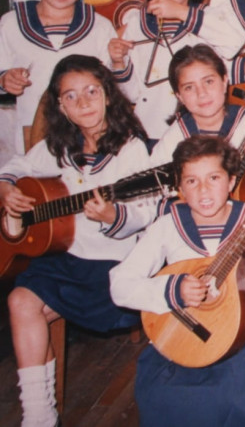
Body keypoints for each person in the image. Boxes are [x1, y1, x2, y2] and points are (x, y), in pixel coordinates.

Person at [0, 55, 155, 427]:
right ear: (61, 107)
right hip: (67, 259)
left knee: (28, 302)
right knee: (20, 299)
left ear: (108, 96)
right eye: (71, 96)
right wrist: (6, 188)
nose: (83, 102)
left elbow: (146, 212)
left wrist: (112, 216)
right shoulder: (58, 147)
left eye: (91, 92)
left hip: (113, 266)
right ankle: (39, 413)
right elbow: (17, 166)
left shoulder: (130, 149)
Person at [110, 135, 245, 427]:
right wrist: (172, 289)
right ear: (180, 189)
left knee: (237, 399)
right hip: (183, 334)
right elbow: (120, 285)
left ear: (231, 182)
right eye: (191, 181)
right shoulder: (167, 227)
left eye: (214, 177)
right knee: (162, 394)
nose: (203, 189)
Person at [0, 0, 116, 154]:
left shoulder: (100, 28)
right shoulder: (10, 24)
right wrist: (5, 79)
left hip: (89, 143)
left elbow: (116, 90)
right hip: (32, 141)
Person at [108, 0, 213, 139]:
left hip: (196, 133)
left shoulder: (206, 20)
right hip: (149, 131)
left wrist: (180, 12)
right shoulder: (136, 24)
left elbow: (233, 41)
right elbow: (131, 93)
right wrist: (118, 62)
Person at [147, 45, 245, 187]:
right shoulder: (173, 139)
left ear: (225, 82)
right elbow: (155, 193)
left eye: (208, 81)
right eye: (189, 87)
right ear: (179, 96)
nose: (201, 93)